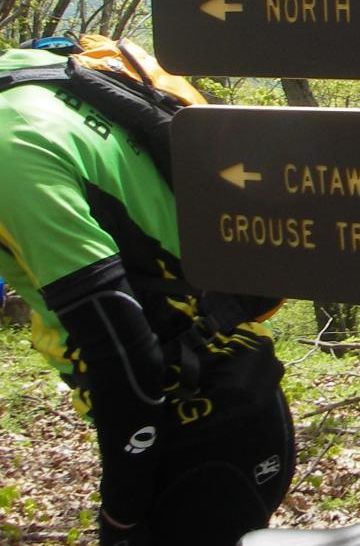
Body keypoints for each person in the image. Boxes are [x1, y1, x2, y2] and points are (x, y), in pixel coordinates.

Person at [0, 39, 295, 545]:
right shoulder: (30, 70)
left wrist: (122, 511)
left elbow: (127, 358)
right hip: (241, 381)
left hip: (194, 428)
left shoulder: (9, 157)